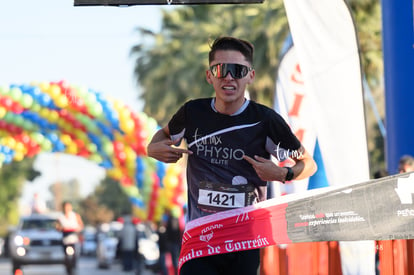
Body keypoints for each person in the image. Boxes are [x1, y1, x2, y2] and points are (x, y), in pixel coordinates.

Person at [147, 36, 317, 275]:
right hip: (201, 237)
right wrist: (152, 148)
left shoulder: (265, 120)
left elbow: (309, 165)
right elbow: (160, 138)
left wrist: (282, 173)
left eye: (237, 70)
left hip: (244, 239)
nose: (228, 77)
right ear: (210, 76)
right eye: (221, 69)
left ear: (250, 76)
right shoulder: (192, 112)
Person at [56, 201, 84, 273]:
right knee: (66, 256)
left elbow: (81, 226)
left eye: (68, 207)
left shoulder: (75, 216)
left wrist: (77, 230)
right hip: (65, 239)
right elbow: (57, 227)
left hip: (74, 238)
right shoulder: (61, 217)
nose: (67, 209)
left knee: (74, 255)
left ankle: (74, 266)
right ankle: (67, 268)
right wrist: (62, 229)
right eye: (65, 207)